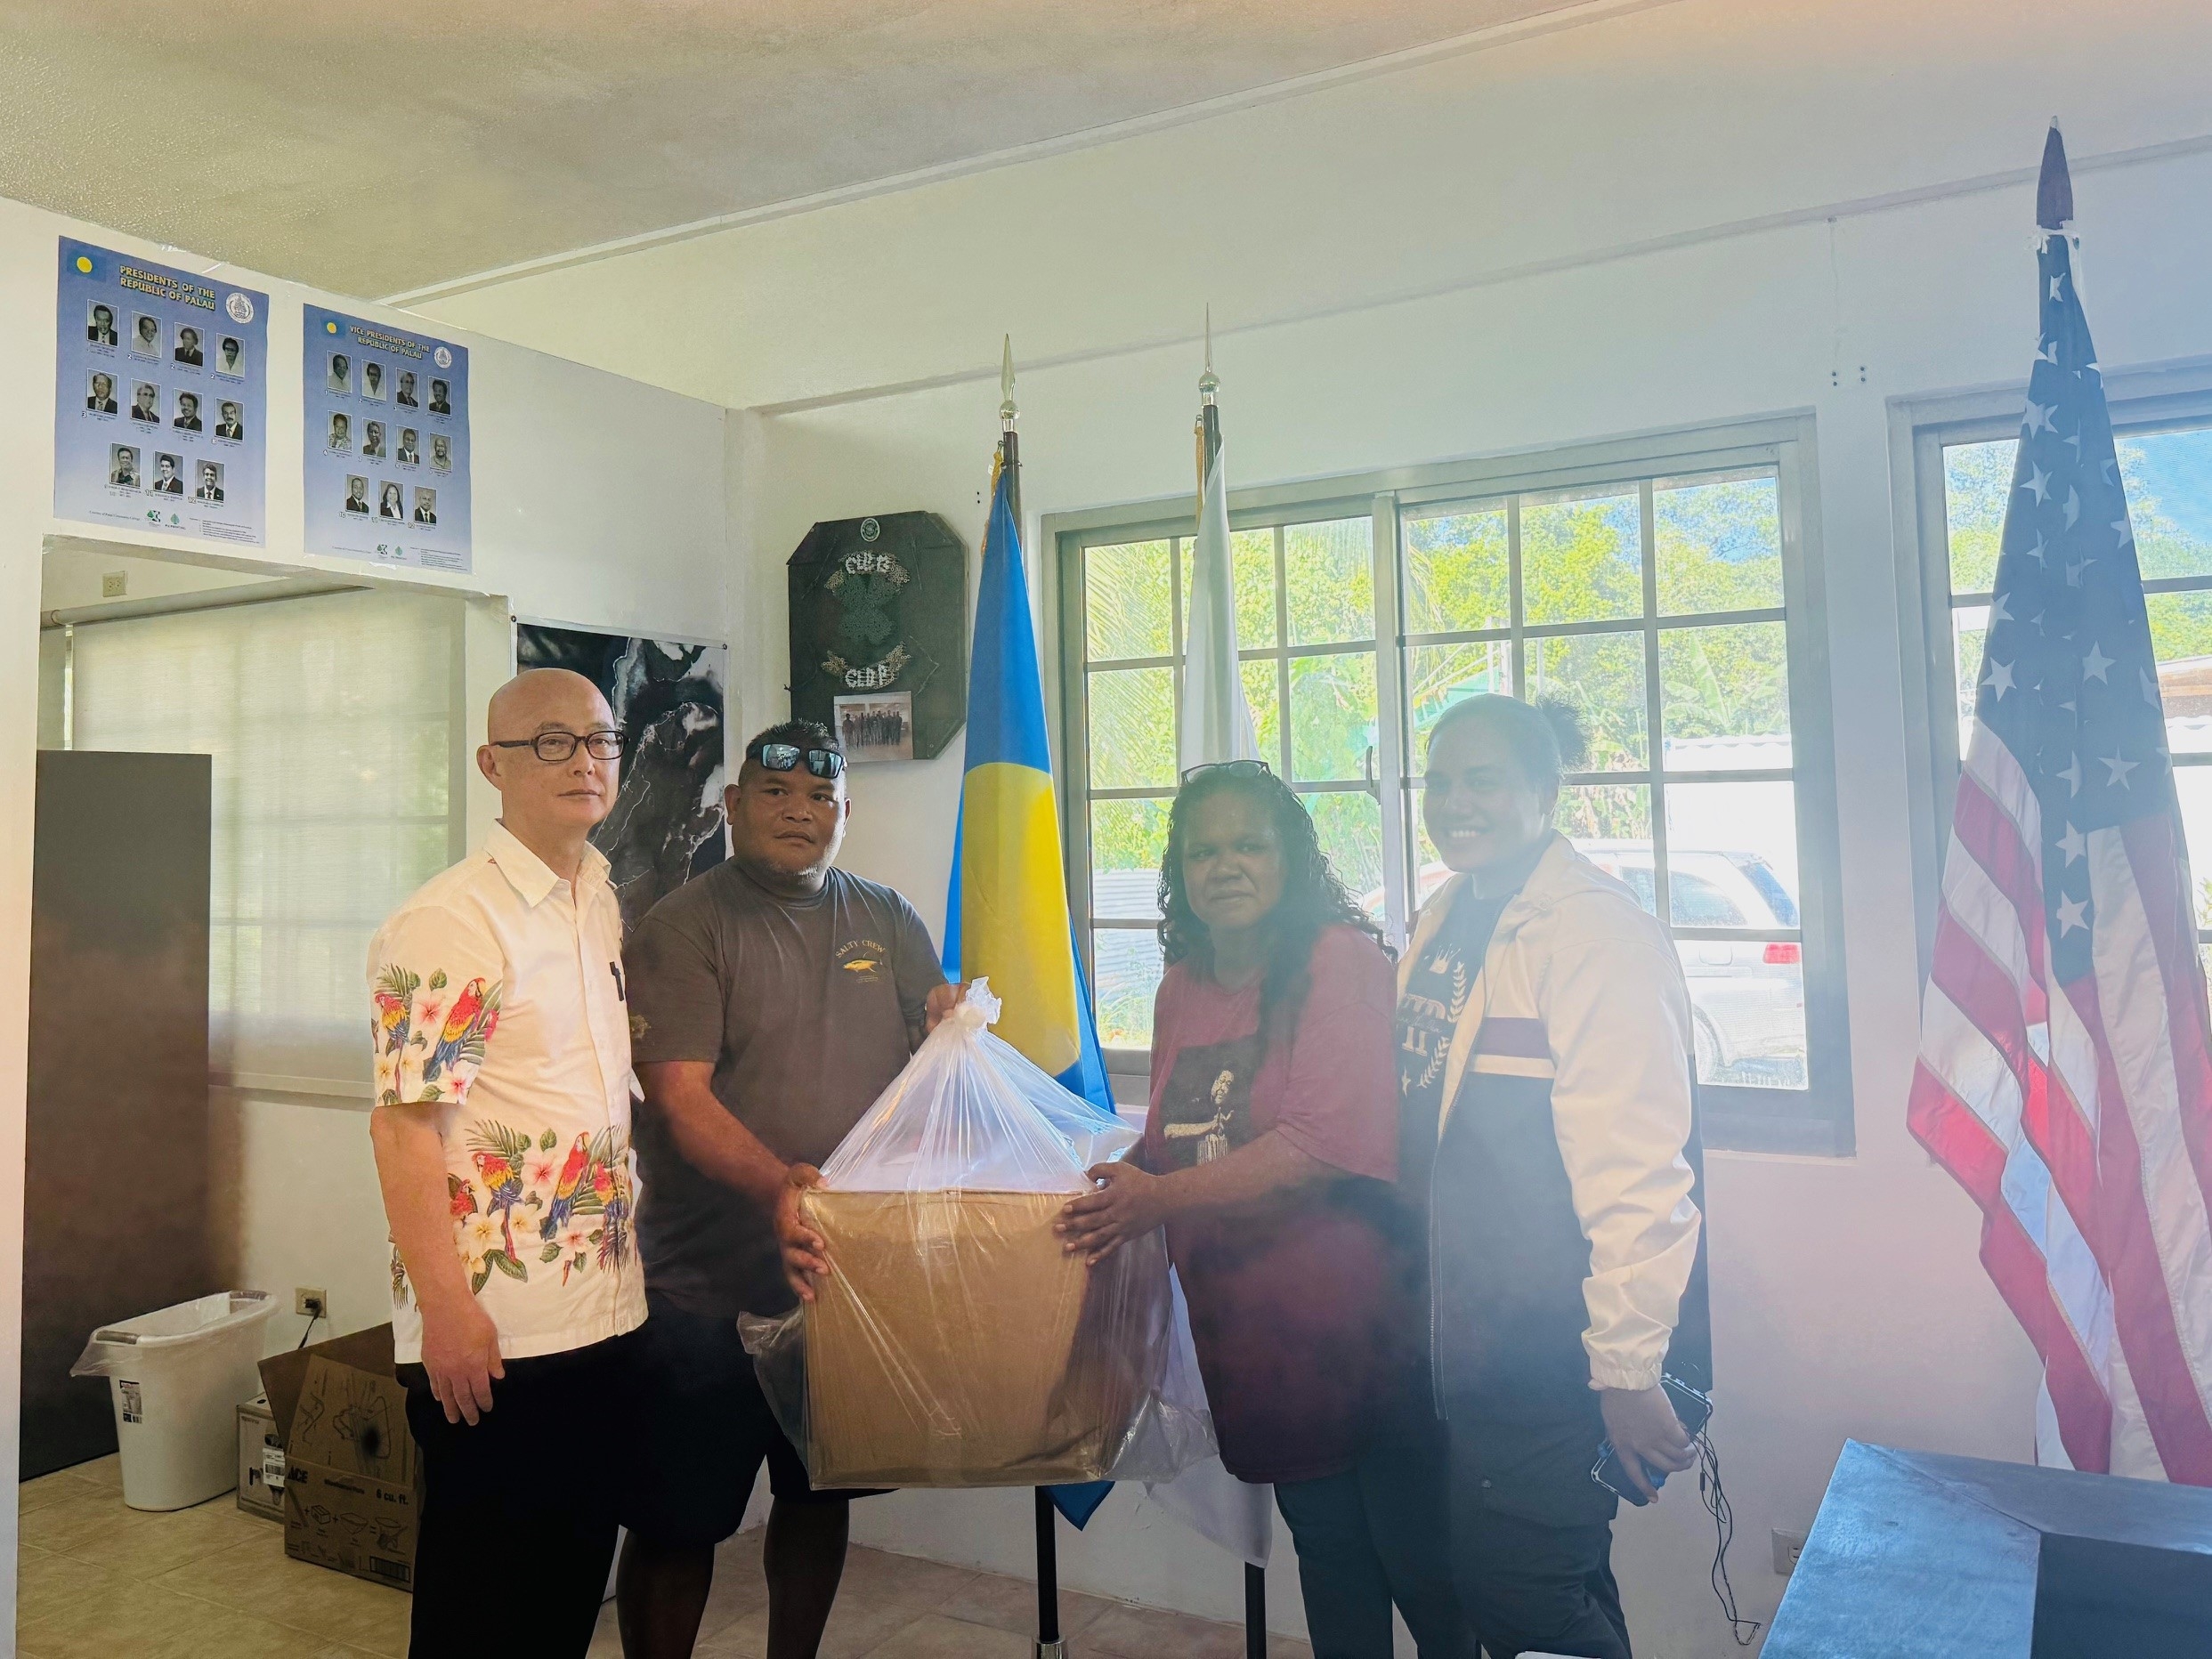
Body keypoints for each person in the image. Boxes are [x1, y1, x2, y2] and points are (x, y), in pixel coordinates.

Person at [1057, 761, 1475, 1659]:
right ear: (1178, 873)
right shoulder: (1180, 984)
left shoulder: (1339, 960)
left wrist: (1155, 1199)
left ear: (1290, 857)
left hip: (1363, 1325)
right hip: (1253, 1337)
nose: (1225, 866)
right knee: (1325, 1548)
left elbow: (1325, 1142)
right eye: (1202, 851)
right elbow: (1172, 1136)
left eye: (1248, 845)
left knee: (1419, 1563)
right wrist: (1108, 1182)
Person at [618, 720, 961, 1659]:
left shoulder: (887, 917)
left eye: (820, 797)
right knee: (677, 1520)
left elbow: (927, 1061)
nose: (799, 811)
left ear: (846, 813)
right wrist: (783, 1185)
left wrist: (950, 1025)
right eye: (775, 792)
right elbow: (679, 1098)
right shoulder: (682, 925)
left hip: (837, 1287)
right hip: (704, 1289)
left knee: (817, 1497)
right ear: (734, 805)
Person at [1395, 695, 1703, 1659]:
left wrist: (1625, 1369)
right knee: (1549, 1583)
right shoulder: (1450, 913)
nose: (1454, 802)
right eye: (1438, 781)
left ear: (1544, 788)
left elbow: (1637, 1171)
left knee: (1522, 1596)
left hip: (1553, 1352)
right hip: (1465, 1342)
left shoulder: (1594, 932)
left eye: (1482, 780)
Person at [367, 669, 644, 1659]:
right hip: (495, 1333)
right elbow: (403, 1129)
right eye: (552, 742)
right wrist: (446, 1311)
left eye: (601, 740)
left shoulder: (596, 896)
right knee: (480, 1615)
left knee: (563, 1600)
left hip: (602, 1312)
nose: (584, 762)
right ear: (493, 764)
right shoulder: (454, 920)